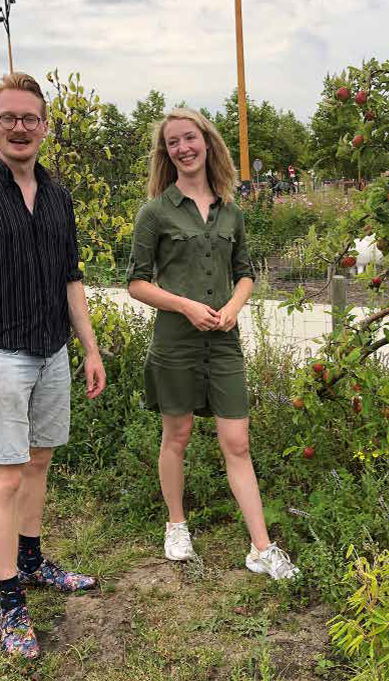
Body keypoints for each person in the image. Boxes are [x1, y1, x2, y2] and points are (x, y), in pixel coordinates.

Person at [0, 72, 106, 659]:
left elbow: (70, 277)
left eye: (30, 118)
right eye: (8, 118)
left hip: (52, 349)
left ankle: (32, 561)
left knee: (38, 462)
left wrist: (89, 346)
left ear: (44, 125)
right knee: (3, 475)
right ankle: (9, 602)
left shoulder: (57, 195)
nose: (20, 128)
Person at [127, 108, 299, 581]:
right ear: (167, 153)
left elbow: (245, 273)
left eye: (189, 139)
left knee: (237, 442)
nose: (182, 149)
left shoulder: (231, 210)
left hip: (223, 343)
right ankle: (176, 524)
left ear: (206, 142)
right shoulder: (155, 212)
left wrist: (235, 307)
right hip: (175, 342)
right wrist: (184, 305)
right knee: (176, 436)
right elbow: (137, 283)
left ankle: (261, 548)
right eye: (173, 144)